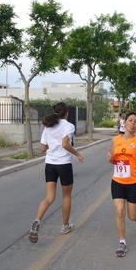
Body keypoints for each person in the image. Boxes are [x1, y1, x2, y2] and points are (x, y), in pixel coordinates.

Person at [28, 102, 84, 244]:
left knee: (49, 197)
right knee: (66, 197)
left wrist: (52, 145)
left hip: (50, 165)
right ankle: (65, 226)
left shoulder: (49, 126)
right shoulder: (68, 126)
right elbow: (65, 144)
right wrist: (77, 154)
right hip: (64, 165)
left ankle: (37, 220)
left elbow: (42, 148)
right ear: (67, 113)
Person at [106, 111, 136, 257]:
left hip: (134, 182)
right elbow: (113, 159)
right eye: (130, 120)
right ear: (125, 122)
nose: (132, 123)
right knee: (119, 212)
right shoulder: (115, 140)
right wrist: (110, 158)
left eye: (135, 122)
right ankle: (122, 242)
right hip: (117, 181)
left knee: (131, 215)